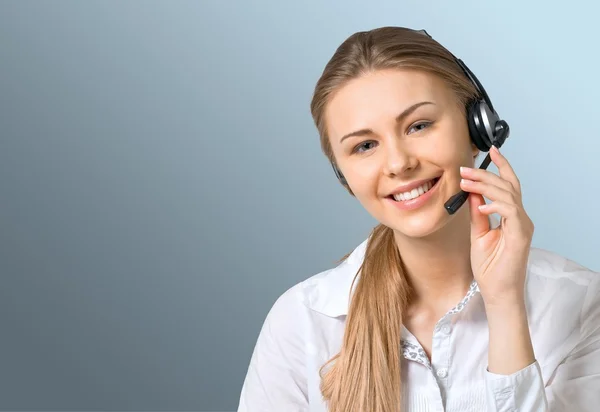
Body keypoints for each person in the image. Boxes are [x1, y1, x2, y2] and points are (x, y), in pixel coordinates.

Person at [236, 26, 600, 412]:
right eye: (365, 146)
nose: (398, 163)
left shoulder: (579, 303)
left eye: (419, 125)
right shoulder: (303, 322)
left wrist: (505, 303)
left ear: (478, 126)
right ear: (344, 177)